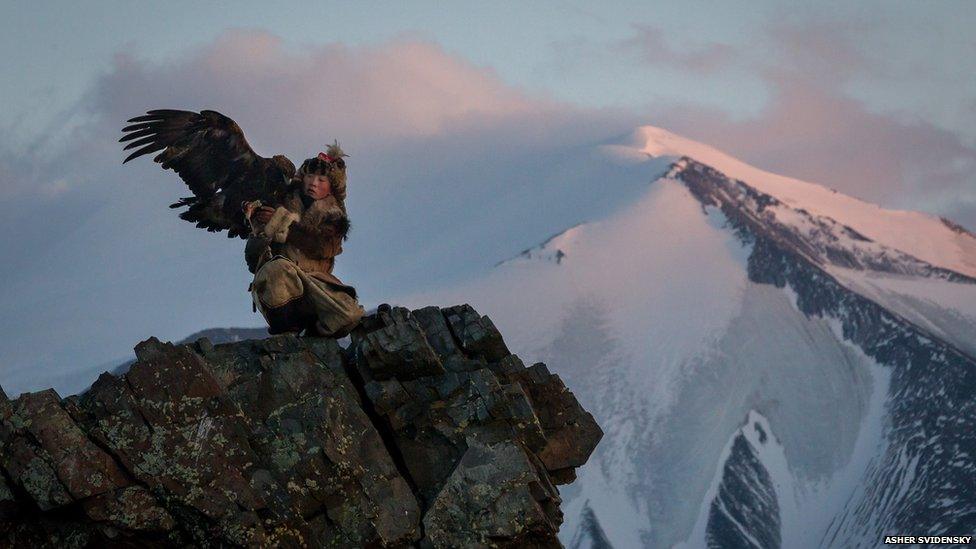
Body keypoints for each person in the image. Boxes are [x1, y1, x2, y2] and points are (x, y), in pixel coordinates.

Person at [243, 148, 365, 338]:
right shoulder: (278, 202)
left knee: (350, 314)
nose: (313, 183)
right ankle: (285, 335)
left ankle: (314, 336)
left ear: (331, 186)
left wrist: (280, 222)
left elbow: (322, 246)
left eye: (321, 180)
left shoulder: (335, 216)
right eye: (309, 176)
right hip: (282, 284)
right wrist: (258, 230)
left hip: (316, 285)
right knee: (276, 269)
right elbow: (253, 261)